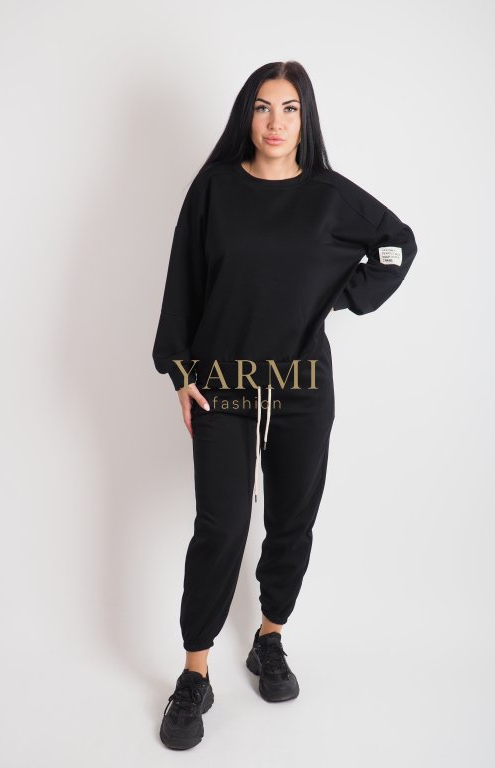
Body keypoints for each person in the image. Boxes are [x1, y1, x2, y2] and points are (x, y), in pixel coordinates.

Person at [152, 60, 418, 750]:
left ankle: (269, 638)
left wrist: (342, 295)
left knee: (292, 521)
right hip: (223, 384)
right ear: (247, 114)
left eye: (290, 108)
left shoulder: (329, 197)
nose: (276, 122)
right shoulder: (214, 189)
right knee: (222, 526)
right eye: (264, 107)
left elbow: (398, 244)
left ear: (306, 119)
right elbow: (184, 279)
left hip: (302, 388)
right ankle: (195, 673)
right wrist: (179, 371)